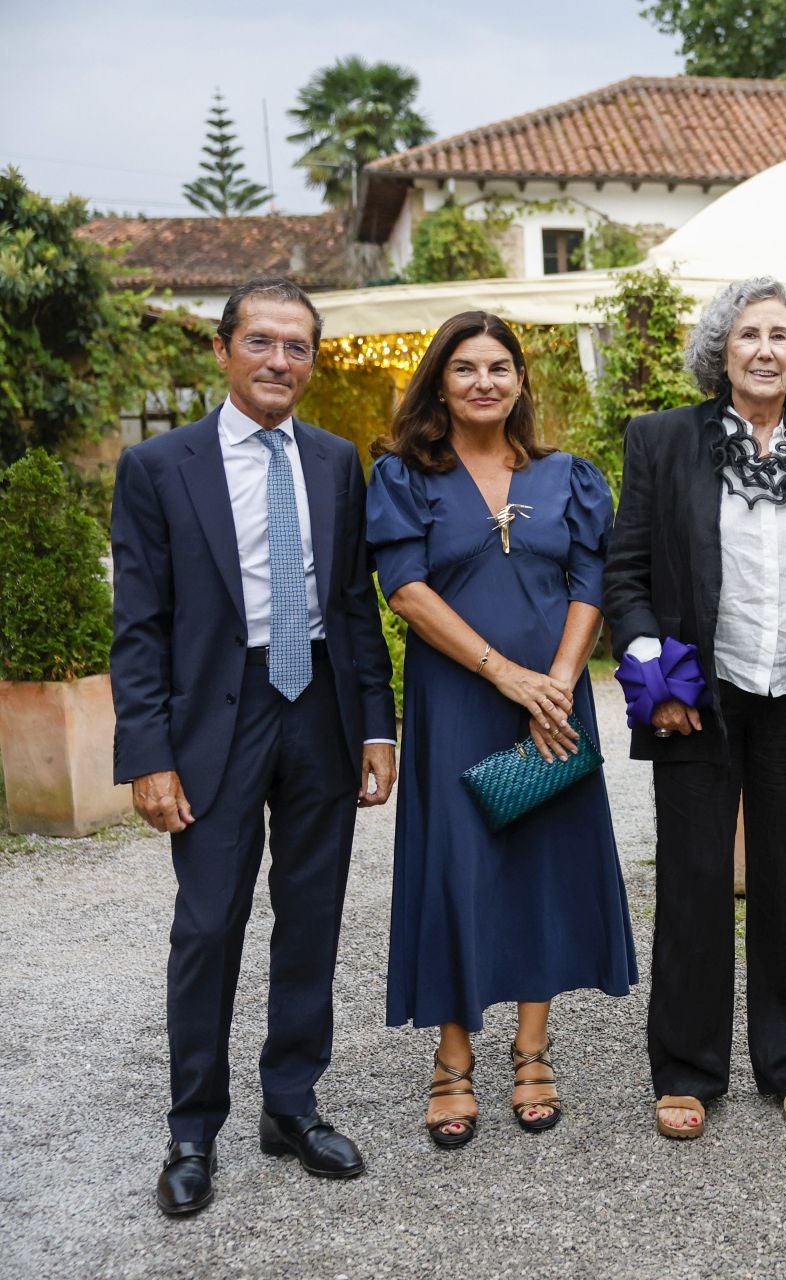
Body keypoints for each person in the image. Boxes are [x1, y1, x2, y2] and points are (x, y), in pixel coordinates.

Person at [111, 276, 397, 1216]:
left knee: (311, 915)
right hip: (216, 718)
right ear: (224, 349)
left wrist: (376, 723)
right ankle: (193, 1126)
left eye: (299, 347)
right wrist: (147, 752)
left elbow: (355, 606)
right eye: (264, 343)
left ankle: (292, 1104)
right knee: (206, 926)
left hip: (315, 703)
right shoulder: (161, 468)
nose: (282, 362)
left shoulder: (334, 461)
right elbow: (140, 625)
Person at [367, 311, 636, 1148]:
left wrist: (557, 680)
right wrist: (505, 673)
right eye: (465, 368)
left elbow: (592, 580)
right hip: (459, 701)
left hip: (553, 703)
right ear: (439, 382)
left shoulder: (570, 476)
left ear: (520, 382)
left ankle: (532, 1048)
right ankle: (453, 1059)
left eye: (499, 368)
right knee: (458, 866)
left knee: (542, 865)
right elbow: (404, 589)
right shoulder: (404, 476)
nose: (484, 381)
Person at [603, 278, 786, 1139]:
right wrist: (659, 688)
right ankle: (686, 1069)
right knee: (695, 880)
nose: (764, 350)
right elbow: (627, 575)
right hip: (697, 698)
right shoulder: (663, 441)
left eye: (780, 336)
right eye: (748, 334)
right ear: (721, 350)